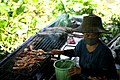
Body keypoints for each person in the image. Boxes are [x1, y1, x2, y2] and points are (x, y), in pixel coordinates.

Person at [46, 14, 118, 80]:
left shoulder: (104, 51)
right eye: (87, 35)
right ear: (83, 34)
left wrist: (81, 71)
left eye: (93, 35)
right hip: (86, 75)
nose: (90, 38)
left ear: (99, 35)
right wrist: (61, 52)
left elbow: (103, 72)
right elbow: (75, 52)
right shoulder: (82, 43)